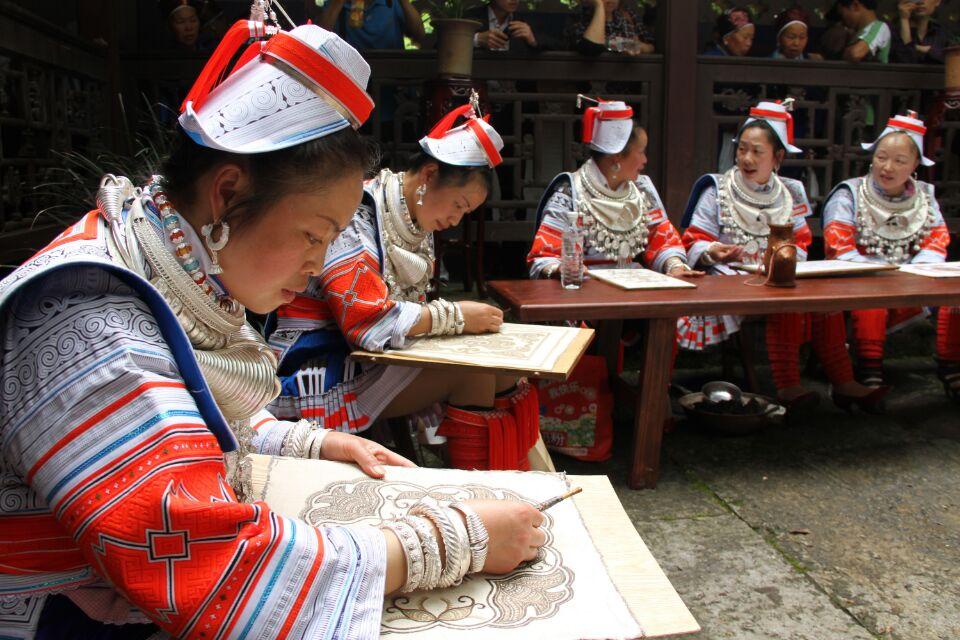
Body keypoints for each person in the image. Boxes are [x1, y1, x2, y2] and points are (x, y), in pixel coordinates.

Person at [0, 19, 545, 638]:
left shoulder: (159, 263)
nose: (319, 263)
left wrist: (310, 442)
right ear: (229, 193)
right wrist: (454, 541)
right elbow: (211, 567)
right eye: (313, 235)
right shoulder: (91, 324)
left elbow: (188, 412)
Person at [267, 99, 550, 473]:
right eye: (459, 205)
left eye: (466, 213)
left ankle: (513, 479)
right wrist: (453, 316)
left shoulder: (415, 220)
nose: (456, 218)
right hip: (319, 362)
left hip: (371, 357)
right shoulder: (358, 210)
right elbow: (364, 320)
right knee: (474, 372)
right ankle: (481, 490)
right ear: (430, 175)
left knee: (506, 368)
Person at [680, 100, 888, 413]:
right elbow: (694, 240)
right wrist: (712, 251)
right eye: (742, 150)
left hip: (776, 275)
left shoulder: (790, 192)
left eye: (757, 152)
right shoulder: (717, 190)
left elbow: (801, 240)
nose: (747, 158)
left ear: (777, 158)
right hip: (729, 279)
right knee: (784, 296)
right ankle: (788, 386)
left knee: (818, 298)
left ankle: (844, 382)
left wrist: (788, 260)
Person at [822, 111, 960, 400]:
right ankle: (870, 369)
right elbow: (839, 247)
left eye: (899, 161)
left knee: (954, 294)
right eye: (882, 157)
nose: (887, 167)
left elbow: (937, 240)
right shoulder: (849, 193)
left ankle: (950, 365)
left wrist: (913, 272)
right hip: (860, 280)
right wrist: (884, 274)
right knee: (872, 297)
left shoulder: (924, 195)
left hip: (912, 279)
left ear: (914, 166)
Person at [528, 96, 694, 281]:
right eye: (640, 152)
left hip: (635, 285)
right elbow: (545, 256)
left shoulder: (642, 190)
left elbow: (660, 238)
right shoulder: (571, 192)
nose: (645, 161)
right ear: (617, 157)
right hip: (586, 289)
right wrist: (563, 268)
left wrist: (674, 265)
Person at [314, 0, 425, 50]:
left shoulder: (392, 3)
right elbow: (318, 42)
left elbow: (419, 36)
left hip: (390, 83)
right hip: (353, 79)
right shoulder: (336, 6)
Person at [565, 0, 655, 56]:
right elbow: (590, 48)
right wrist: (599, 5)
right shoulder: (579, 15)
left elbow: (651, 46)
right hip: (589, 82)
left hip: (626, 81)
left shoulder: (628, 14)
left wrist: (638, 47)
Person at [467, 0, 542, 53]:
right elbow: (456, 43)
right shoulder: (471, 16)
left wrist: (533, 41)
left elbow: (550, 43)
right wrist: (477, 39)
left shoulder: (525, 20)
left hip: (513, 72)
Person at [892, 0, 954, 64]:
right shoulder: (893, 32)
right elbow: (904, 62)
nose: (920, 2)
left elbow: (953, 61)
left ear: (937, 2)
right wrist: (904, 19)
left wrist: (927, 50)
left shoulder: (942, 33)